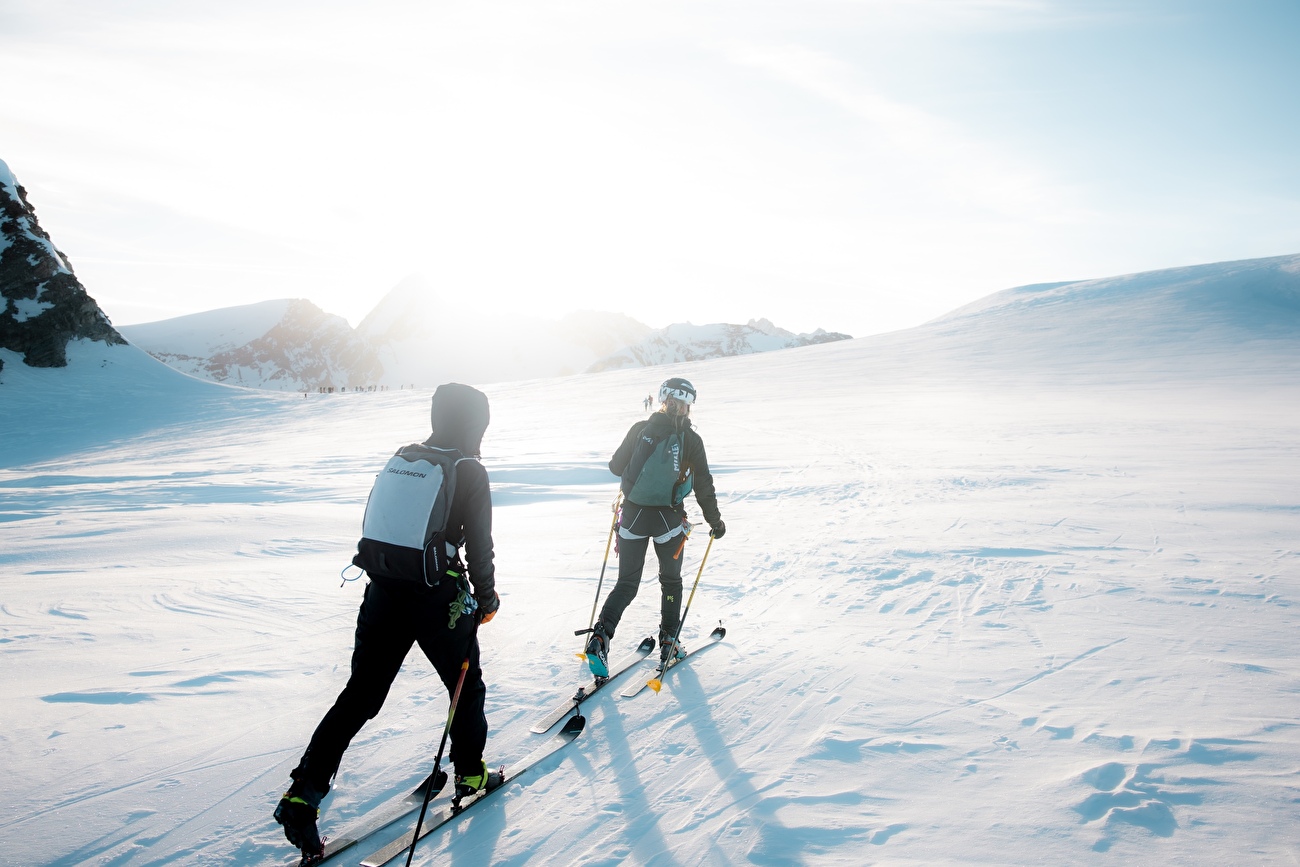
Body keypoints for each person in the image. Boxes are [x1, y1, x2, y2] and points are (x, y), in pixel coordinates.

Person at [274, 383, 502, 861]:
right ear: (474, 423)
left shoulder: (407, 457)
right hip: (438, 598)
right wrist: (486, 597)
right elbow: (479, 546)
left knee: (361, 694)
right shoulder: (468, 470)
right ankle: (471, 772)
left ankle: (303, 794)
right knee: (465, 685)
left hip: (382, 591)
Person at [586, 377, 725, 674]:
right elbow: (704, 486)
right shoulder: (692, 440)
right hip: (670, 521)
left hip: (633, 516)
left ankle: (600, 636)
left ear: (662, 400)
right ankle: (669, 641)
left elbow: (614, 467)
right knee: (671, 582)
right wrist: (715, 521)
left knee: (626, 584)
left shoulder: (640, 430)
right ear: (687, 405)